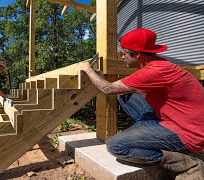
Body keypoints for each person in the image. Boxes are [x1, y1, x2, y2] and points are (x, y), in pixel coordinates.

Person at [80, 28, 204, 178]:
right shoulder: (157, 64)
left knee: (116, 146)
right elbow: (123, 87)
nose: (121, 57)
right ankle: (146, 134)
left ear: (137, 55)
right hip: (180, 118)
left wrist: (88, 70)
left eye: (123, 54)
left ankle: (187, 164)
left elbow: (108, 88)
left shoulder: (153, 72)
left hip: (189, 133)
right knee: (125, 96)